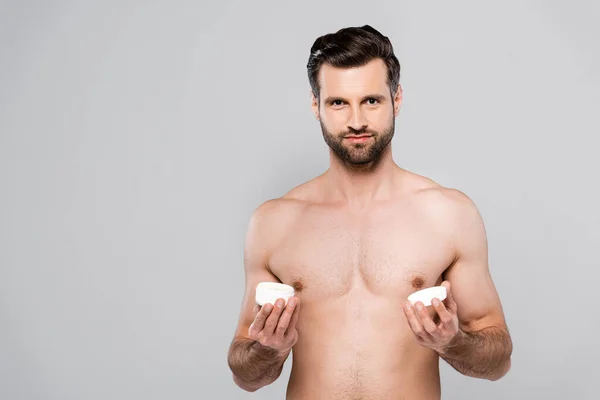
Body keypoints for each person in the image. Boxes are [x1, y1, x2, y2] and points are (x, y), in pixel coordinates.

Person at [227, 24, 513, 400]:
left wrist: (453, 342)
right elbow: (245, 375)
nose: (357, 121)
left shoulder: (448, 215)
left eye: (371, 101)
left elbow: (499, 360)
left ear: (397, 100)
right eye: (338, 102)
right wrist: (268, 351)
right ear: (316, 106)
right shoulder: (274, 223)